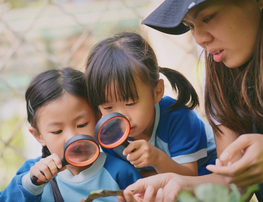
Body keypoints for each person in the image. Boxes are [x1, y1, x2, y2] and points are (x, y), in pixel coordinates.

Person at [117, 0, 263, 202]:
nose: (200, 38)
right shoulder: (223, 76)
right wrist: (179, 183)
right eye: (190, 26)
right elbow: (235, 187)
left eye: (207, 18)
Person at [0, 68, 141, 202]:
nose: (72, 137)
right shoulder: (33, 175)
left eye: (81, 125)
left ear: (97, 119)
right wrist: (31, 185)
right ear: (38, 136)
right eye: (57, 131)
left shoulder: (118, 171)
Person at [85, 31, 216, 178]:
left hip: (209, 170)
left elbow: (190, 177)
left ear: (157, 92)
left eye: (130, 103)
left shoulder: (177, 117)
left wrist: (157, 158)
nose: (123, 117)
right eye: (108, 107)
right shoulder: (109, 135)